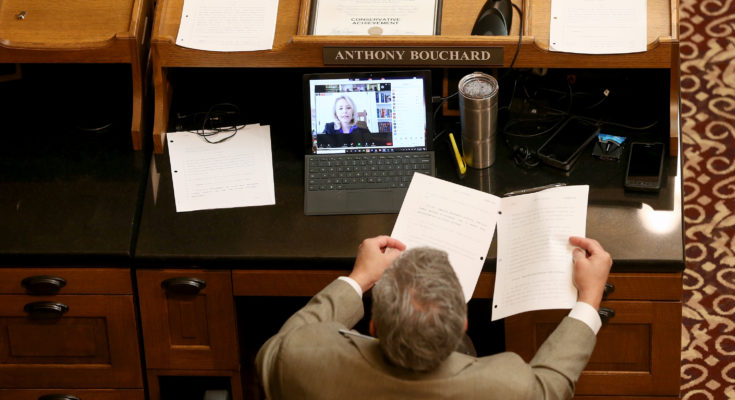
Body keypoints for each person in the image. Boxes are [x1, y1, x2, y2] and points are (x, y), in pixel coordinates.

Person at [256, 235, 612, 400]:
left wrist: (360, 278)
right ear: (463, 326)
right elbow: (553, 384)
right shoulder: (508, 387)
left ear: (373, 326)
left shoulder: (297, 361)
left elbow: (282, 345)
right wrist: (589, 296)